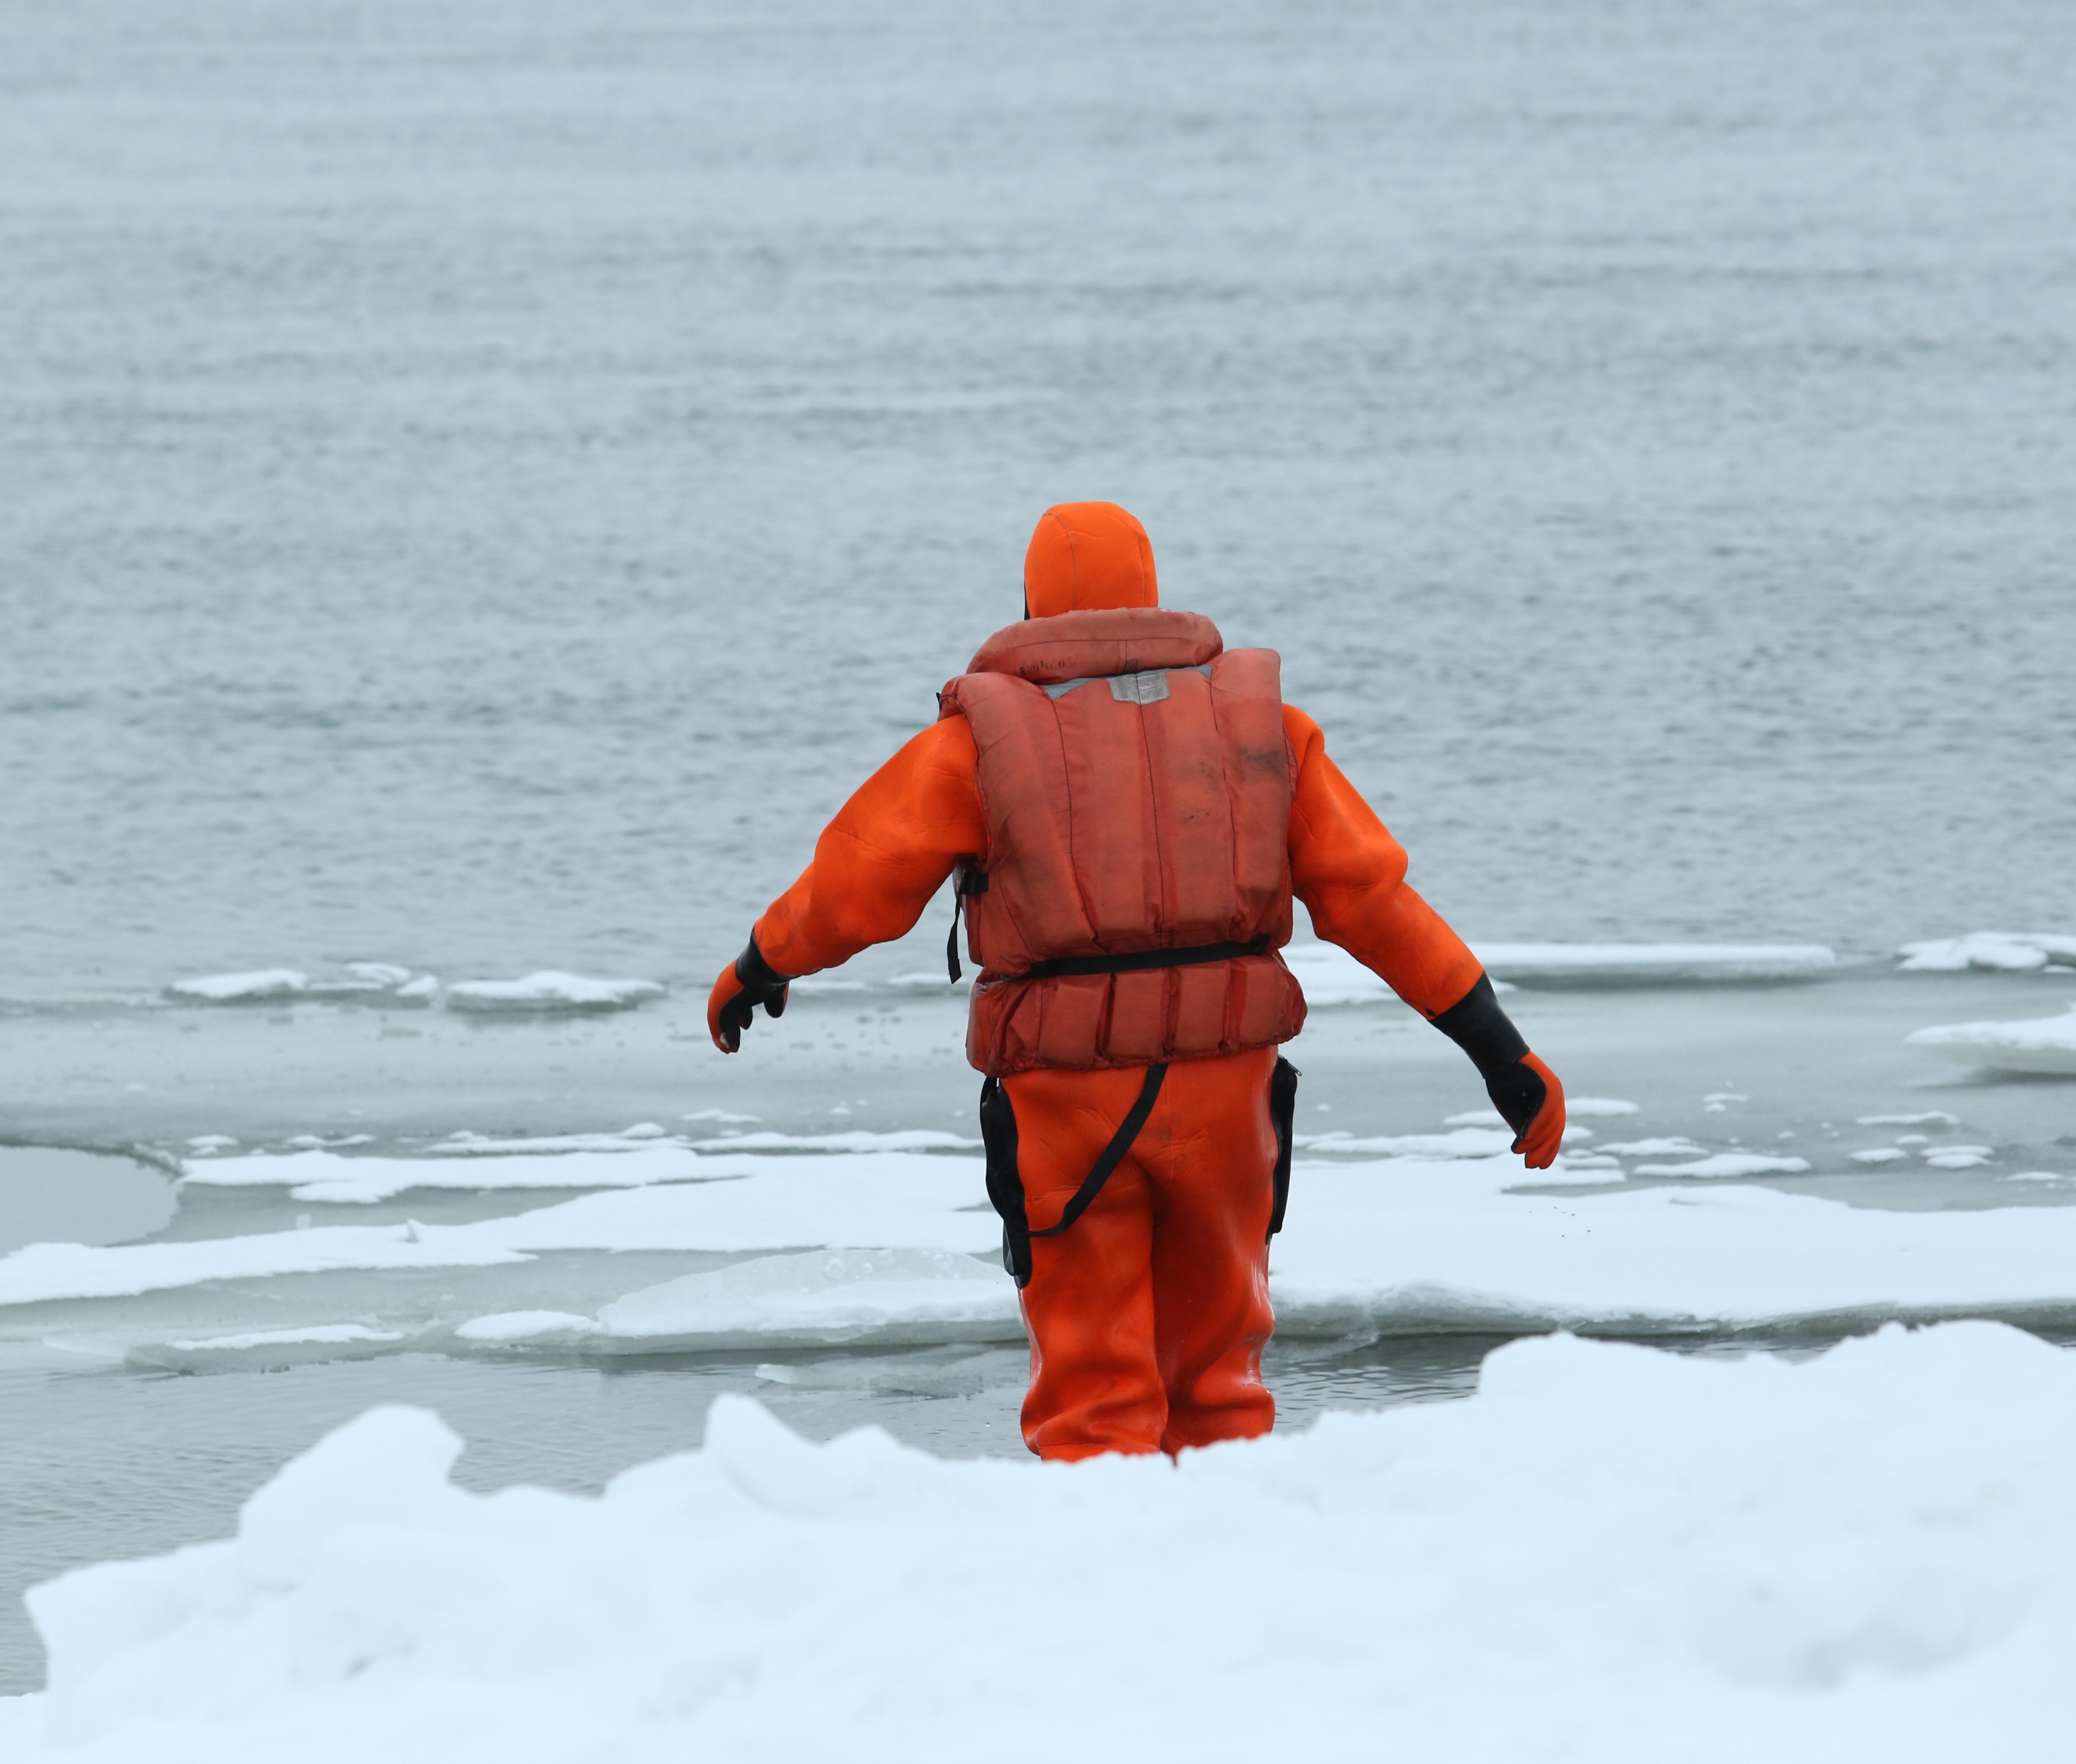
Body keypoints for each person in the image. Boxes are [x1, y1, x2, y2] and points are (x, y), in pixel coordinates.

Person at [708, 502, 1566, 1461]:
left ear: (1034, 602)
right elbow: (1373, 901)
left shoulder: (978, 743)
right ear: (1150, 591)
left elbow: (856, 884)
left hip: (1073, 1107)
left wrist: (762, 963)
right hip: (1228, 1096)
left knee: (1093, 1392)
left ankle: (1106, 1579)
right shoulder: (1268, 732)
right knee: (1220, 1385)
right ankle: (1231, 1571)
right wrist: (1498, 1047)